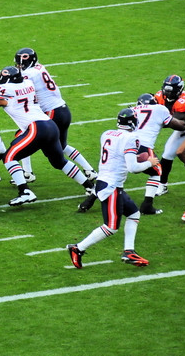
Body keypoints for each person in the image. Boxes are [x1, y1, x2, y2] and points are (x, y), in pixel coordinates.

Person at [0, 66, 94, 206]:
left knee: (9, 157)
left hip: (36, 128)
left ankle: (25, 192)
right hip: (50, 125)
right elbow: (7, 94)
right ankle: (90, 186)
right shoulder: (28, 83)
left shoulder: (5, 90)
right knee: (59, 162)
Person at [67, 108, 157, 269]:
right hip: (111, 186)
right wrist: (149, 163)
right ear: (133, 122)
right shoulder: (131, 138)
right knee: (111, 227)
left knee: (134, 214)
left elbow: (117, 155)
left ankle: (129, 251)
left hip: (107, 182)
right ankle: (78, 248)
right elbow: (133, 168)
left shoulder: (107, 134)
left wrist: (137, 158)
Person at [14, 48, 98, 184]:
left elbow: (12, 81)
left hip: (51, 112)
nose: (19, 66)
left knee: (24, 138)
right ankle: (89, 170)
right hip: (63, 110)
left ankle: (27, 173)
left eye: (21, 64)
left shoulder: (28, 73)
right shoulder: (39, 67)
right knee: (62, 145)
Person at [131, 93, 185, 214]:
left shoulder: (132, 109)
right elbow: (178, 126)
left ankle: (91, 199)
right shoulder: (160, 109)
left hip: (124, 144)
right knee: (157, 172)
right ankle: (147, 205)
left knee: (114, 173)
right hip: (143, 147)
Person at [153, 74, 185, 196]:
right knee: (168, 154)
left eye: (171, 90)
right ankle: (162, 185)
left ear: (179, 89)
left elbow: (172, 122)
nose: (168, 93)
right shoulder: (159, 95)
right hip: (181, 125)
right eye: (166, 90)